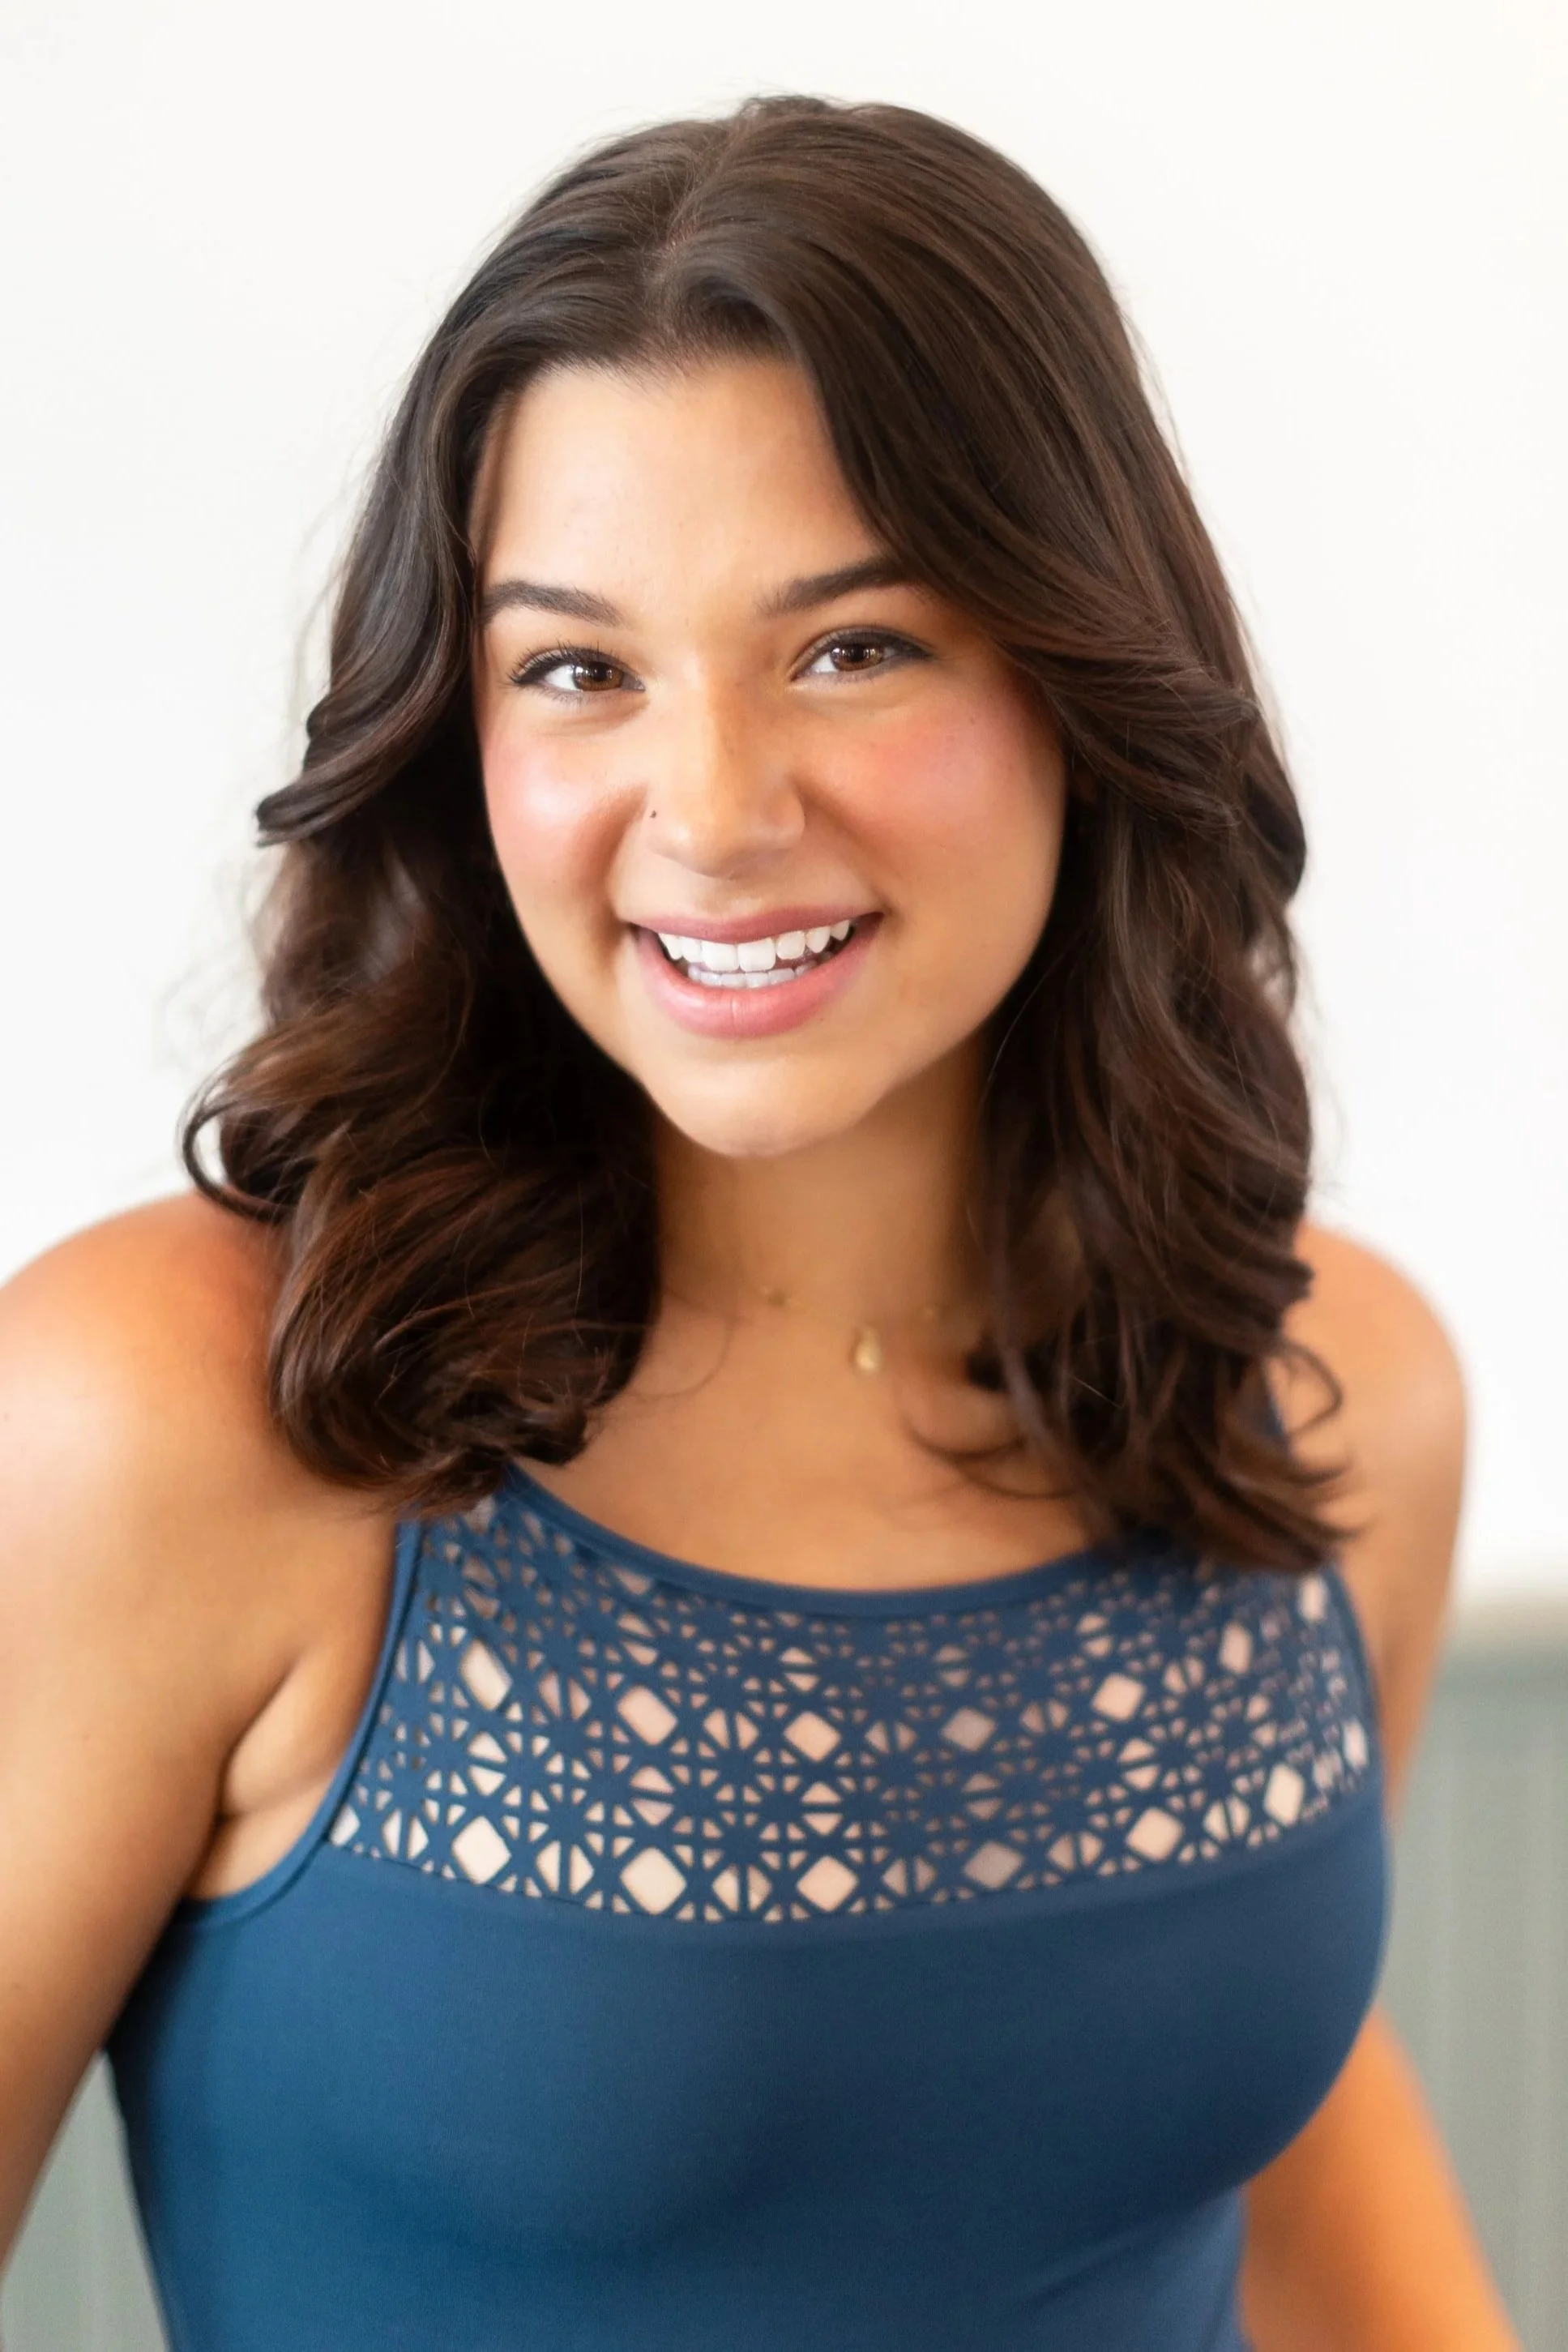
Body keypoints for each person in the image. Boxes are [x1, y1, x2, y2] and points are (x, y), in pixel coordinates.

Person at [0, 92, 1517, 2352]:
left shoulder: (1328, 1390)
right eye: (576, 669)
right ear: (458, 730)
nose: (707, 809)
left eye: (851, 648)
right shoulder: (164, 1416)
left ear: (1081, 679)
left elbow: (1247, 2128)